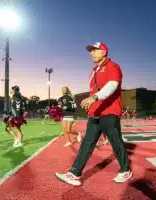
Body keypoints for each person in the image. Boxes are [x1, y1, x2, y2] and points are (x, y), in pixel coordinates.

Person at [55, 42, 132, 186]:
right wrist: (91, 105)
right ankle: (74, 173)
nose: (91, 53)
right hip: (95, 113)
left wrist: (95, 98)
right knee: (87, 143)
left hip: (110, 112)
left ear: (103, 52)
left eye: (94, 50)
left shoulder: (113, 66)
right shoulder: (93, 71)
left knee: (116, 142)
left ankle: (125, 169)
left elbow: (112, 85)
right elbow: (93, 90)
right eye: (90, 51)